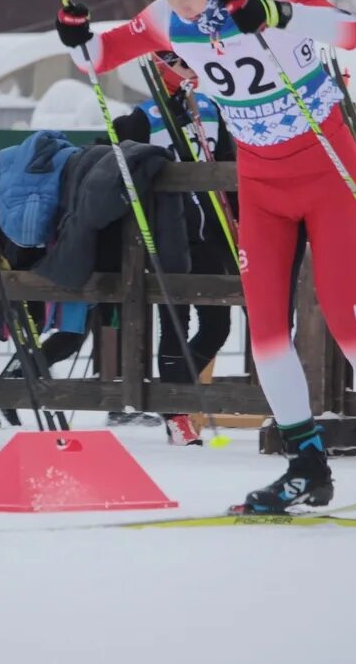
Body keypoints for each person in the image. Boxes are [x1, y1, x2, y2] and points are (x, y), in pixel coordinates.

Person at [55, 0, 356, 510]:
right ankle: (307, 464)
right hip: (262, 183)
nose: (184, 5)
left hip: (327, 168)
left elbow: (350, 30)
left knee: (345, 316)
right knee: (268, 335)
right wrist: (76, 37)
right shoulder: (164, 18)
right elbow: (96, 58)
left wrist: (277, 15)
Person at [112, 50, 236, 446]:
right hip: (169, 233)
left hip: (211, 233)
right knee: (175, 321)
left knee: (219, 325)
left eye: (193, 63)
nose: (192, 71)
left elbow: (230, 166)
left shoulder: (212, 111)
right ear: (163, 66)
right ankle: (176, 413)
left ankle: (174, 391)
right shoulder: (143, 117)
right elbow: (123, 168)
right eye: (183, 63)